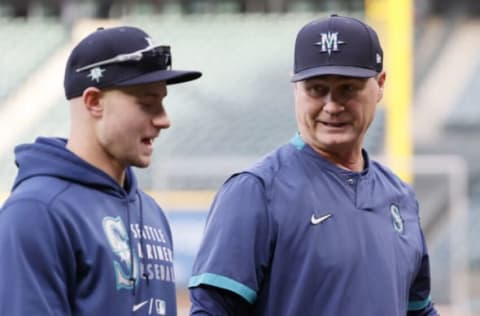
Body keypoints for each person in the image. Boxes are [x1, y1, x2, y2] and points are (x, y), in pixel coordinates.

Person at [188, 14, 439, 316]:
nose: (332, 106)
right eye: (317, 89)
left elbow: (417, 311)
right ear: (296, 87)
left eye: (348, 88)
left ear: (380, 84)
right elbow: (213, 310)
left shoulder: (400, 197)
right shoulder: (256, 191)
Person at [0, 26, 201, 315]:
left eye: (163, 101)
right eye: (147, 104)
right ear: (94, 102)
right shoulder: (36, 211)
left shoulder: (151, 211)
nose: (164, 119)